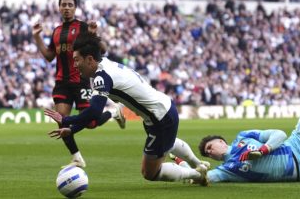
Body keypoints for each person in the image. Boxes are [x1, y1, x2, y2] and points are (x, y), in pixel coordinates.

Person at [44, 33, 210, 185]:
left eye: (77, 60)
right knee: (168, 142)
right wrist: (72, 129)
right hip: (162, 109)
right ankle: (198, 164)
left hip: (160, 118)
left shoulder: (101, 77)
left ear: (89, 59)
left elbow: (94, 112)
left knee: (149, 172)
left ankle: (197, 175)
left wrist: (66, 120)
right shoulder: (106, 64)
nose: (75, 65)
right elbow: (92, 114)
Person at [178, 88, 300, 183]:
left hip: (298, 144)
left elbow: (279, 134)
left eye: (210, 147)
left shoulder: (244, 136)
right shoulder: (227, 170)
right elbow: (204, 177)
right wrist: (182, 164)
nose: (210, 153)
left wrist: (264, 149)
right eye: (208, 154)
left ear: (220, 142)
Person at [32, 0, 126, 168]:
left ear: (75, 8)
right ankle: (77, 158)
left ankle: (114, 112)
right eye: (63, 5)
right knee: (62, 119)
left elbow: (103, 49)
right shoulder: (57, 31)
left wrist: (93, 35)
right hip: (62, 82)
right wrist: (37, 37)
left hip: (81, 80)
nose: (66, 8)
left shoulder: (83, 27)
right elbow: (48, 57)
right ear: (59, 8)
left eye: (70, 5)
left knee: (91, 123)